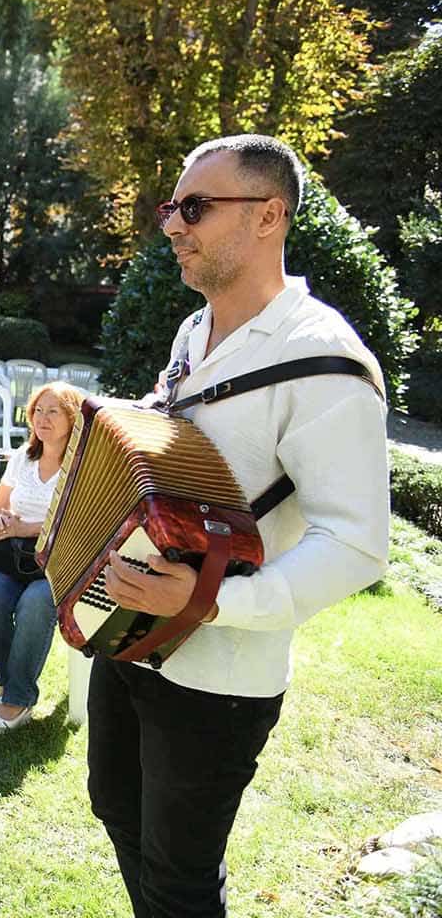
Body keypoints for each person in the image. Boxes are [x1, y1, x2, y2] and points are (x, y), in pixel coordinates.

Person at [92, 134, 387, 918]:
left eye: (195, 207)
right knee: (116, 811)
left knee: (181, 876)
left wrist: (207, 600)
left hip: (219, 676)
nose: (172, 226)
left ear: (269, 216)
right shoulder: (195, 334)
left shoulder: (324, 361)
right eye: (171, 208)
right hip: (130, 630)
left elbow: (355, 543)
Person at [0, 382, 83, 733]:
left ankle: (18, 700)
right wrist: (0, 520)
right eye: (38, 410)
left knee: (35, 605)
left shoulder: (82, 465)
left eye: (53, 411)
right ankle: (10, 679)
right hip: (13, 558)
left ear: (73, 419)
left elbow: (77, 525)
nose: (42, 418)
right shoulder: (24, 456)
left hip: (58, 565)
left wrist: (25, 528)